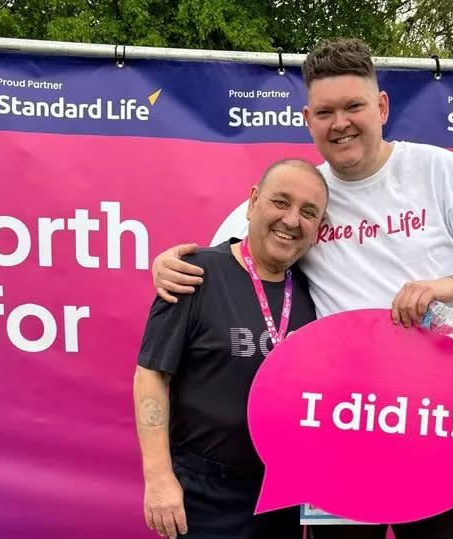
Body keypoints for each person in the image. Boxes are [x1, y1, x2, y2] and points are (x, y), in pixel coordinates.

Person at [151, 38, 453, 539]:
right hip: (335, 427)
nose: (341, 123)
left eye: (354, 106)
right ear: (308, 120)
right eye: (326, 111)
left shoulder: (439, 171)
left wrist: (445, 286)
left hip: (436, 421)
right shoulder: (306, 195)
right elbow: (226, 255)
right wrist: (170, 264)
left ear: (381, 107)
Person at [134, 158, 329, 539]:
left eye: (309, 212)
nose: (292, 220)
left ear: (319, 229)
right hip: (204, 493)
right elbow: (151, 375)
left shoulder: (315, 292)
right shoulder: (195, 274)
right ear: (253, 201)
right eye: (281, 202)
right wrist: (158, 478)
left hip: (283, 495)